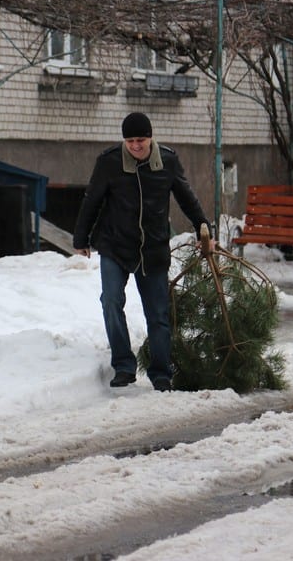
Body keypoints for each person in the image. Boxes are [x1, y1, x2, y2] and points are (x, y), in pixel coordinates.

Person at [73, 112, 211, 392]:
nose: (136, 145)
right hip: (115, 244)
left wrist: (203, 227)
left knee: (158, 313)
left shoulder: (168, 161)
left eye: (141, 140)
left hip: (153, 248)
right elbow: (92, 200)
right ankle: (123, 366)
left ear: (151, 137)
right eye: (130, 140)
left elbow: (186, 196)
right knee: (111, 301)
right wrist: (81, 237)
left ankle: (161, 372)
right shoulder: (109, 161)